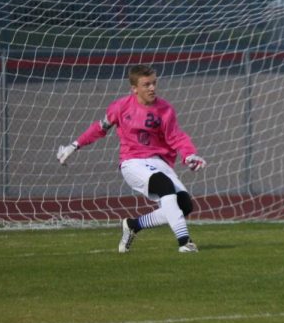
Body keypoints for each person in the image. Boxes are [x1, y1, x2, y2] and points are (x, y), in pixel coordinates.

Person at [56, 64, 206, 253]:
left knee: (184, 205)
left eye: (154, 83)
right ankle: (185, 242)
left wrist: (189, 155)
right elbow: (99, 128)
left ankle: (133, 225)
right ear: (134, 88)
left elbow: (176, 136)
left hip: (159, 162)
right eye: (146, 85)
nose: (152, 88)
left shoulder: (166, 110)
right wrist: (74, 145)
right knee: (165, 187)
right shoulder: (120, 107)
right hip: (132, 162)